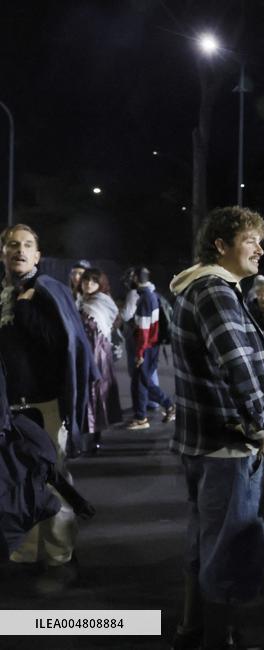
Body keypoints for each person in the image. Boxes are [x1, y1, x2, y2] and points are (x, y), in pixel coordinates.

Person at [168, 206, 264, 649]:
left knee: (203, 544)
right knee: (227, 552)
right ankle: (217, 639)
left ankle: (190, 630)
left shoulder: (196, 287)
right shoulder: (215, 290)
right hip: (227, 444)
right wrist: (260, 424)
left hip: (199, 443)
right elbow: (237, 363)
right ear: (222, 244)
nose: (260, 249)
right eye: (251, 240)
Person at [0, 224, 95, 579]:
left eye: (27, 245)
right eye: (12, 245)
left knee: (52, 478)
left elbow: (64, 347)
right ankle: (23, 552)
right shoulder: (4, 295)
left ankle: (58, 555)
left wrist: (25, 312)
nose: (19, 251)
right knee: (15, 481)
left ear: (38, 256)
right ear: (2, 253)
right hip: (9, 410)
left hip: (45, 406)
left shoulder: (46, 292)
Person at [78, 267, 122, 452]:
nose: (88, 284)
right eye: (86, 280)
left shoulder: (100, 302)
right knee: (85, 395)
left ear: (100, 284)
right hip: (86, 352)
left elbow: (103, 327)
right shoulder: (82, 301)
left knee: (95, 394)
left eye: (93, 281)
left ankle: (95, 437)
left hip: (97, 355)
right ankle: (85, 436)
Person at [125, 266, 175, 430]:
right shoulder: (151, 295)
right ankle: (142, 416)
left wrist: (139, 353)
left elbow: (144, 330)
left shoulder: (145, 298)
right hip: (151, 345)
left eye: (132, 277)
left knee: (142, 380)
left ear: (138, 278)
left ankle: (164, 407)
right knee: (140, 381)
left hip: (146, 346)